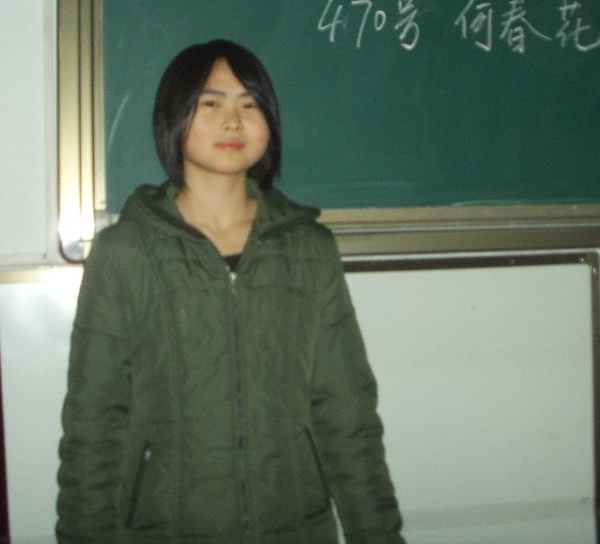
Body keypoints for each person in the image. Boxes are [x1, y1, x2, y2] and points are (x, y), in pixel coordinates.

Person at [56, 39, 404, 543]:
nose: (233, 121)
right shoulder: (125, 253)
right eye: (211, 103)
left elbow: (347, 413)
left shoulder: (309, 250)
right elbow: (93, 422)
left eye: (250, 104)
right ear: (174, 117)